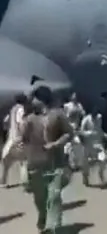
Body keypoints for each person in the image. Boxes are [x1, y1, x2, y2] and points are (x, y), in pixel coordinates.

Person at [23, 86, 73, 234]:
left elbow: (69, 133)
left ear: (41, 99)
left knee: (54, 196)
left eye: (34, 98)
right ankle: (42, 215)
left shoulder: (58, 115)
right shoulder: (30, 118)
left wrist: (56, 144)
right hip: (36, 163)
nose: (32, 101)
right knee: (40, 199)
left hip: (55, 163)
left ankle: (54, 227)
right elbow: (24, 139)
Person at [1, 93, 28, 188]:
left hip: (11, 139)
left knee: (5, 162)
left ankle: (2, 182)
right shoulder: (21, 109)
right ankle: (25, 183)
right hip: (18, 138)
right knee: (23, 162)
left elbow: (5, 122)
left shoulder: (12, 109)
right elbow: (21, 123)